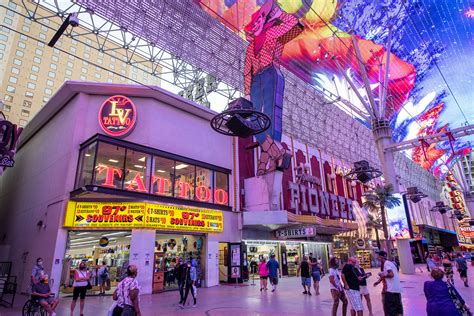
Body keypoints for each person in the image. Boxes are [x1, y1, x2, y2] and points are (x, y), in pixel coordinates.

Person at [377, 250, 403, 316]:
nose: (377, 257)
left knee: (391, 311)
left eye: (378, 256)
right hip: (397, 289)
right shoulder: (391, 263)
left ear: (381, 257)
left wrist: (383, 275)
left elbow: (391, 274)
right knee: (399, 310)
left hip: (391, 291)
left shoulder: (386, 263)